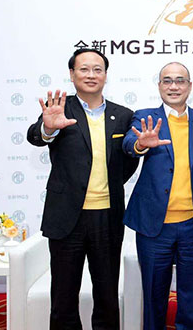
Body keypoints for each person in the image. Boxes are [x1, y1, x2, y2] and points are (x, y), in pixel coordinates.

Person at [27, 48, 138, 330]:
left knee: (107, 295)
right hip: (67, 218)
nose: (91, 75)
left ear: (106, 75)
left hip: (107, 217)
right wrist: (48, 129)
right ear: (72, 74)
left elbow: (128, 161)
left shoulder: (123, 115)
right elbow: (35, 135)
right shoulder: (59, 108)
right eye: (84, 69)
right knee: (63, 296)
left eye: (97, 69)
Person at [122, 62, 193, 330]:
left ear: (189, 86)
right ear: (159, 86)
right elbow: (129, 144)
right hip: (154, 226)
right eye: (167, 80)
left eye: (180, 80)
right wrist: (141, 143)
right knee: (154, 296)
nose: (173, 86)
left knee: (191, 297)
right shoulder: (145, 117)